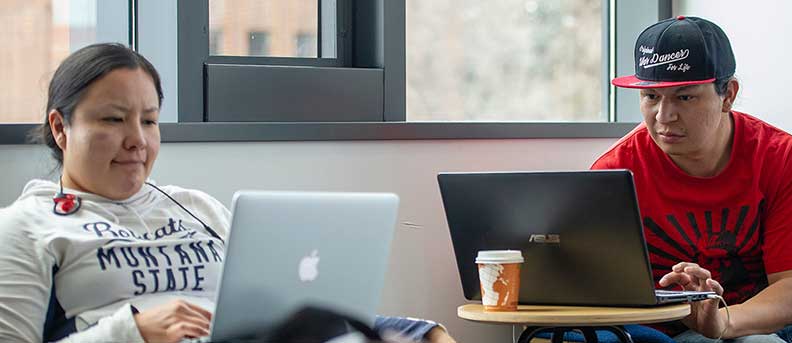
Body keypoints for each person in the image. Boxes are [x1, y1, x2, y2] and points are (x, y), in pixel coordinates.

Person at [0, 43, 456, 343]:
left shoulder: (195, 207)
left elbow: (285, 308)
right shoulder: (26, 226)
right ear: (61, 128)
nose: (137, 139)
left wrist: (409, 330)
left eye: (150, 120)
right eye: (114, 120)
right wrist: (132, 331)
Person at [592, 16, 792, 342]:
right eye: (651, 97)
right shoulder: (615, 174)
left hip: (762, 317)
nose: (664, 117)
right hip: (675, 330)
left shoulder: (780, 156)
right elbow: (603, 294)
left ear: (728, 95)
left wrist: (722, 321)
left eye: (684, 97)